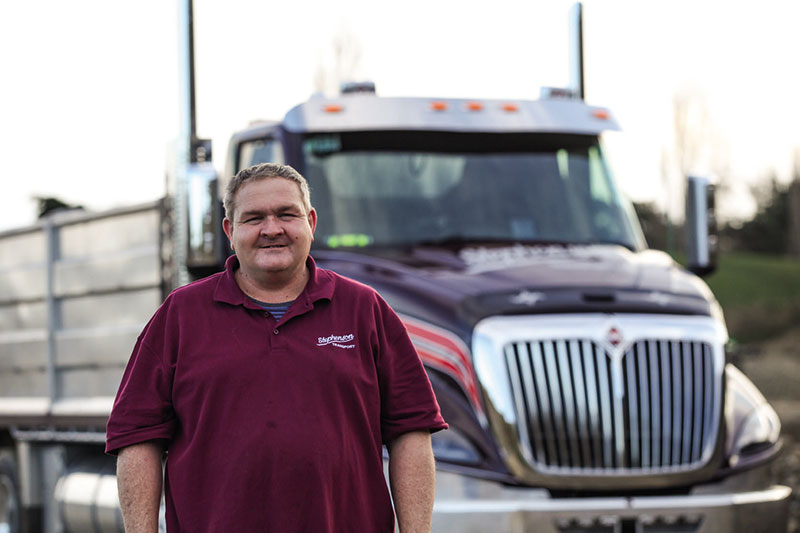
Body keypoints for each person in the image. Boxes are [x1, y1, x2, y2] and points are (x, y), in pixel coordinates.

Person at [105, 163, 448, 532]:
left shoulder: (365, 309)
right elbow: (138, 437)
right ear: (230, 231)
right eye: (254, 218)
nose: (272, 229)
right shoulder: (180, 315)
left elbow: (411, 432)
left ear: (311, 223)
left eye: (287, 214)